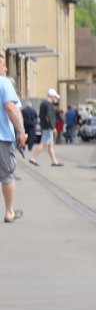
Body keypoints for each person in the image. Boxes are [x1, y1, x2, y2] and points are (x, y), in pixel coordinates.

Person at [1, 55, 27, 222]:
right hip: (2, 138)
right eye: (4, 65)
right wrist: (20, 132)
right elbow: (10, 108)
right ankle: (9, 212)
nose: (6, 68)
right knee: (7, 174)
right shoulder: (4, 83)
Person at [31, 89, 63, 166]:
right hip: (48, 127)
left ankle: (54, 161)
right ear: (52, 96)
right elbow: (49, 116)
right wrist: (53, 127)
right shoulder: (49, 105)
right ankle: (33, 158)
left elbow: (42, 115)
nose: (55, 98)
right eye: (55, 97)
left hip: (44, 125)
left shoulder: (43, 104)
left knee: (51, 144)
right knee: (43, 143)